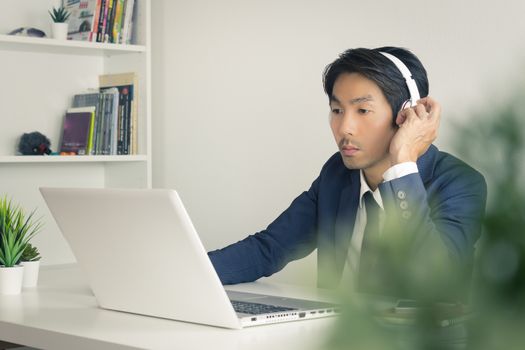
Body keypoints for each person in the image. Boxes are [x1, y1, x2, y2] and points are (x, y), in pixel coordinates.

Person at [208, 47, 487, 298]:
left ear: (406, 115)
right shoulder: (337, 174)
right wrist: (180, 271)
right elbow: (268, 249)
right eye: (337, 110)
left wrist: (403, 163)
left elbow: (433, 279)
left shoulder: (461, 184)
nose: (344, 128)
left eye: (363, 110)